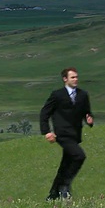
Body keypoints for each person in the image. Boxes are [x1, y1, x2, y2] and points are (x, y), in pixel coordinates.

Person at [39, 67, 94, 200]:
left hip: (75, 134)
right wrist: (47, 132)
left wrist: (89, 120)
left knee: (65, 164)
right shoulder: (57, 95)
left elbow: (87, 112)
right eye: (72, 77)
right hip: (62, 134)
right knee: (79, 156)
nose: (75, 80)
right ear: (65, 79)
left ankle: (53, 195)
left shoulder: (83, 95)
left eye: (76, 77)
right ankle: (65, 185)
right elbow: (44, 113)